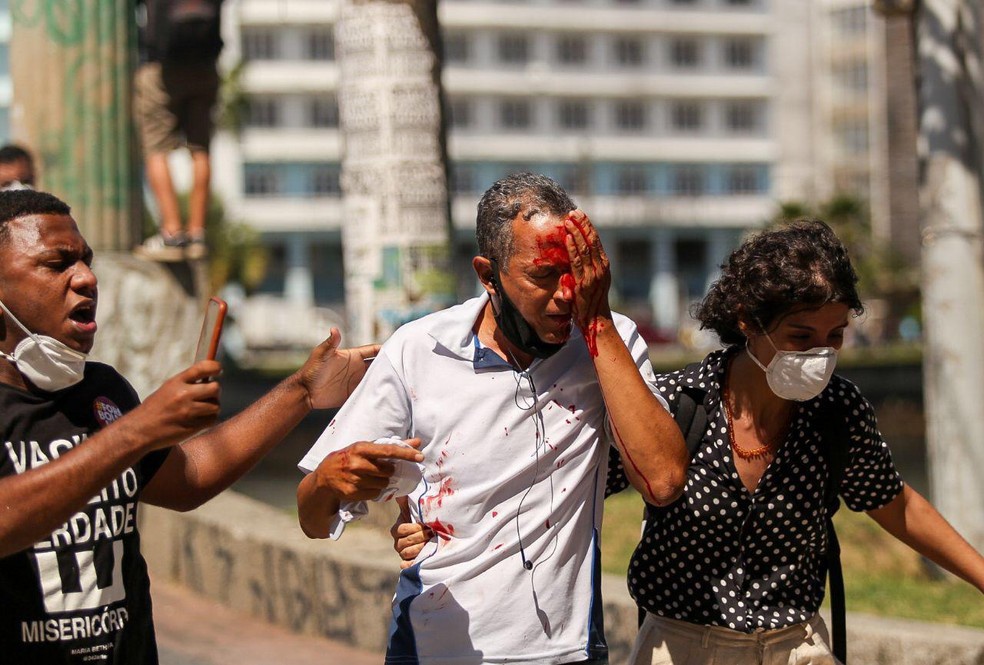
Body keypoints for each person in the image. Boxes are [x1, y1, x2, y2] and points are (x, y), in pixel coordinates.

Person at [296, 172, 689, 665]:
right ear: (488, 275)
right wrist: (329, 483)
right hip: (435, 646)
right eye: (542, 276)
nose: (566, 294)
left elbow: (664, 479)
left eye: (575, 272)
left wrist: (599, 323)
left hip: (568, 652)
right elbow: (312, 519)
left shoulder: (606, 341)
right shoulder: (419, 350)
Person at [0, 189, 381, 663]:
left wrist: (302, 391)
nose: (86, 279)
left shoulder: (102, 392)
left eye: (86, 261)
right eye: (57, 265)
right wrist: (140, 430)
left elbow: (187, 480)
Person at [610, 220, 984, 664]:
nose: (820, 355)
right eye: (801, 337)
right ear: (748, 320)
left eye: (836, 336)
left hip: (797, 646)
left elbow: (895, 504)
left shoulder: (837, 410)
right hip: (680, 647)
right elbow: (581, 492)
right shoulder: (677, 404)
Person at [133, 0, 224, 261]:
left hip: (161, 66)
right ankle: (196, 232)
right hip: (205, 65)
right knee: (201, 149)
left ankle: (172, 232)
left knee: (156, 149)